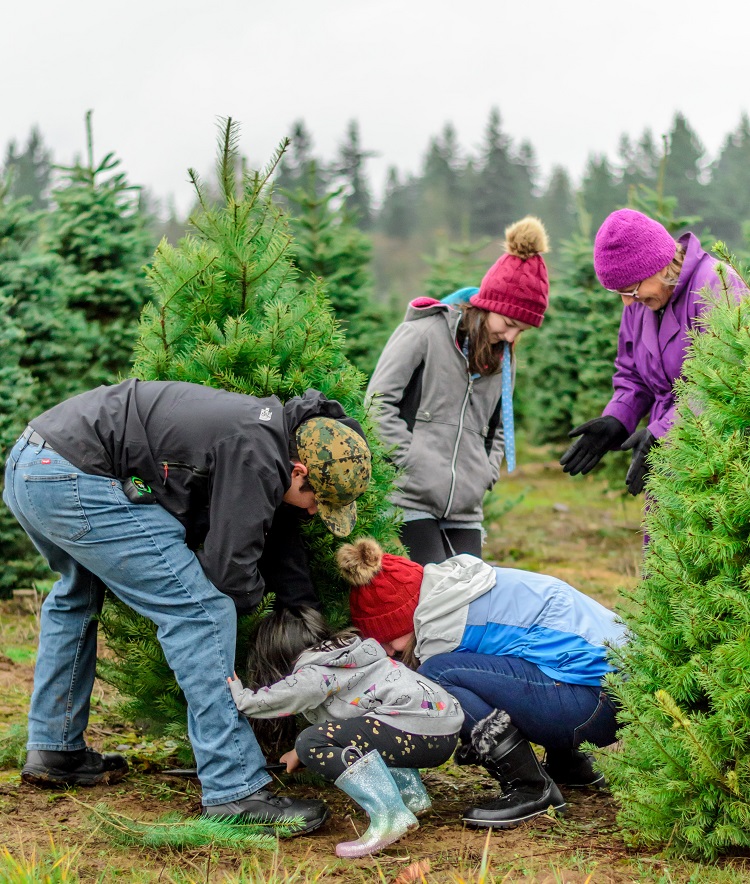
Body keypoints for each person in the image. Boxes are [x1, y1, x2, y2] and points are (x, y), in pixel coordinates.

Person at [3, 378, 371, 833]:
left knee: (77, 596)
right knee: (201, 613)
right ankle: (234, 788)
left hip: (35, 461)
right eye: (316, 500)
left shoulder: (268, 430)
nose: (313, 512)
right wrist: (257, 609)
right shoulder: (258, 455)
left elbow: (252, 528)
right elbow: (229, 572)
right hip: (74, 475)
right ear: (298, 471)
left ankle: (54, 749)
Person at [337, 537, 625, 829]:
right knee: (524, 659)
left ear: (402, 620)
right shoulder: (460, 588)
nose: (387, 650)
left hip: (595, 706)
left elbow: (432, 706)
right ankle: (569, 765)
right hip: (617, 693)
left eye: (384, 639)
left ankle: (531, 788)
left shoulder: (444, 628)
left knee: (435, 675)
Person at [366, 217, 550, 565]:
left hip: (465, 506)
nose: (512, 338)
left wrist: (484, 473)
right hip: (409, 499)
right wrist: (407, 462)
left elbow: (497, 429)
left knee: (469, 599)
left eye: (521, 331)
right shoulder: (423, 333)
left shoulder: (504, 360)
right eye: (509, 324)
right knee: (432, 596)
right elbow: (378, 404)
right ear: (487, 305)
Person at [228, 607, 462, 857]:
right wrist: (297, 752)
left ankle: (390, 816)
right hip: (442, 729)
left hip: (414, 730)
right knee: (371, 729)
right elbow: (355, 725)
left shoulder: (314, 671)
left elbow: (279, 698)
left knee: (311, 741)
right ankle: (410, 797)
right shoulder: (349, 655)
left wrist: (241, 696)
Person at [560, 208, 745, 494]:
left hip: (721, 454)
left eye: (631, 289)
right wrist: (618, 418)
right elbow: (632, 374)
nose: (626, 302)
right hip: (666, 455)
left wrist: (664, 432)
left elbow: (724, 377)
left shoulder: (716, 284)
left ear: (658, 265)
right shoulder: (640, 303)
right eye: (619, 292)